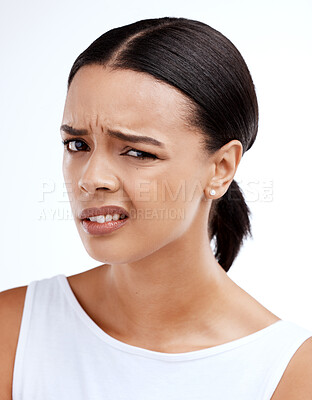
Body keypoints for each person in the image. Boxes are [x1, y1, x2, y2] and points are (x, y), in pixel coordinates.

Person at [1, 16, 311, 400]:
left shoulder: (290, 375)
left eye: (137, 152)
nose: (91, 178)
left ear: (221, 168)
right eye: (77, 145)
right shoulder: (12, 334)